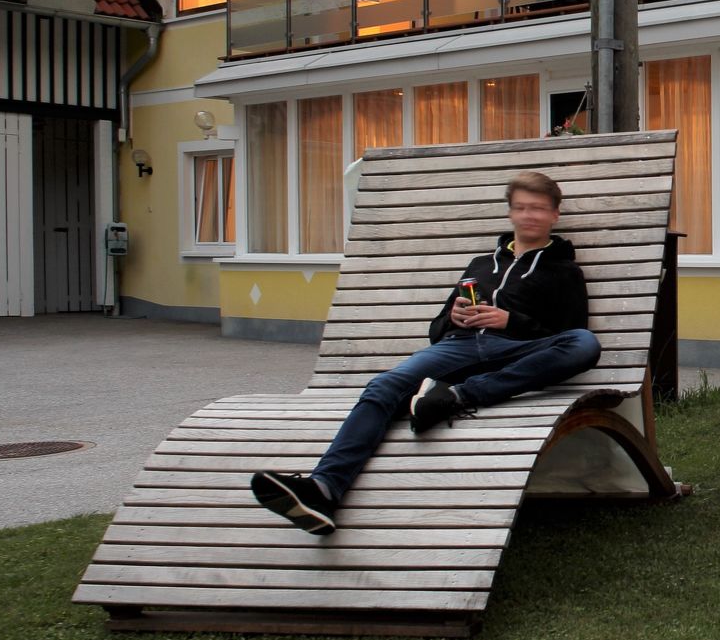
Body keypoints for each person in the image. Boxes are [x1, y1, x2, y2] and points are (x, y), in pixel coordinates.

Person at [250, 170, 601, 536]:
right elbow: (436, 332)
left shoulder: (564, 270)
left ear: (554, 215)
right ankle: (322, 489)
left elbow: (572, 331)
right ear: (511, 212)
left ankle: (458, 396)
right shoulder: (481, 265)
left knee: (584, 345)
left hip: (519, 351)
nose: (529, 216)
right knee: (383, 387)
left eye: (539, 209)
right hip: (460, 347)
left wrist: (510, 320)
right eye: (521, 208)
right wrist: (454, 318)